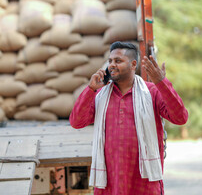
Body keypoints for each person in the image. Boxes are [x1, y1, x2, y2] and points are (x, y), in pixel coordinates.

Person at [69, 41, 188, 195]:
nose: (112, 65)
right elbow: (76, 122)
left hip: (144, 182)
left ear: (133, 64)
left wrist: (161, 83)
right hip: (109, 183)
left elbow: (181, 117)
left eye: (118, 61)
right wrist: (90, 89)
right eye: (110, 61)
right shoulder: (100, 95)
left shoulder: (151, 92)